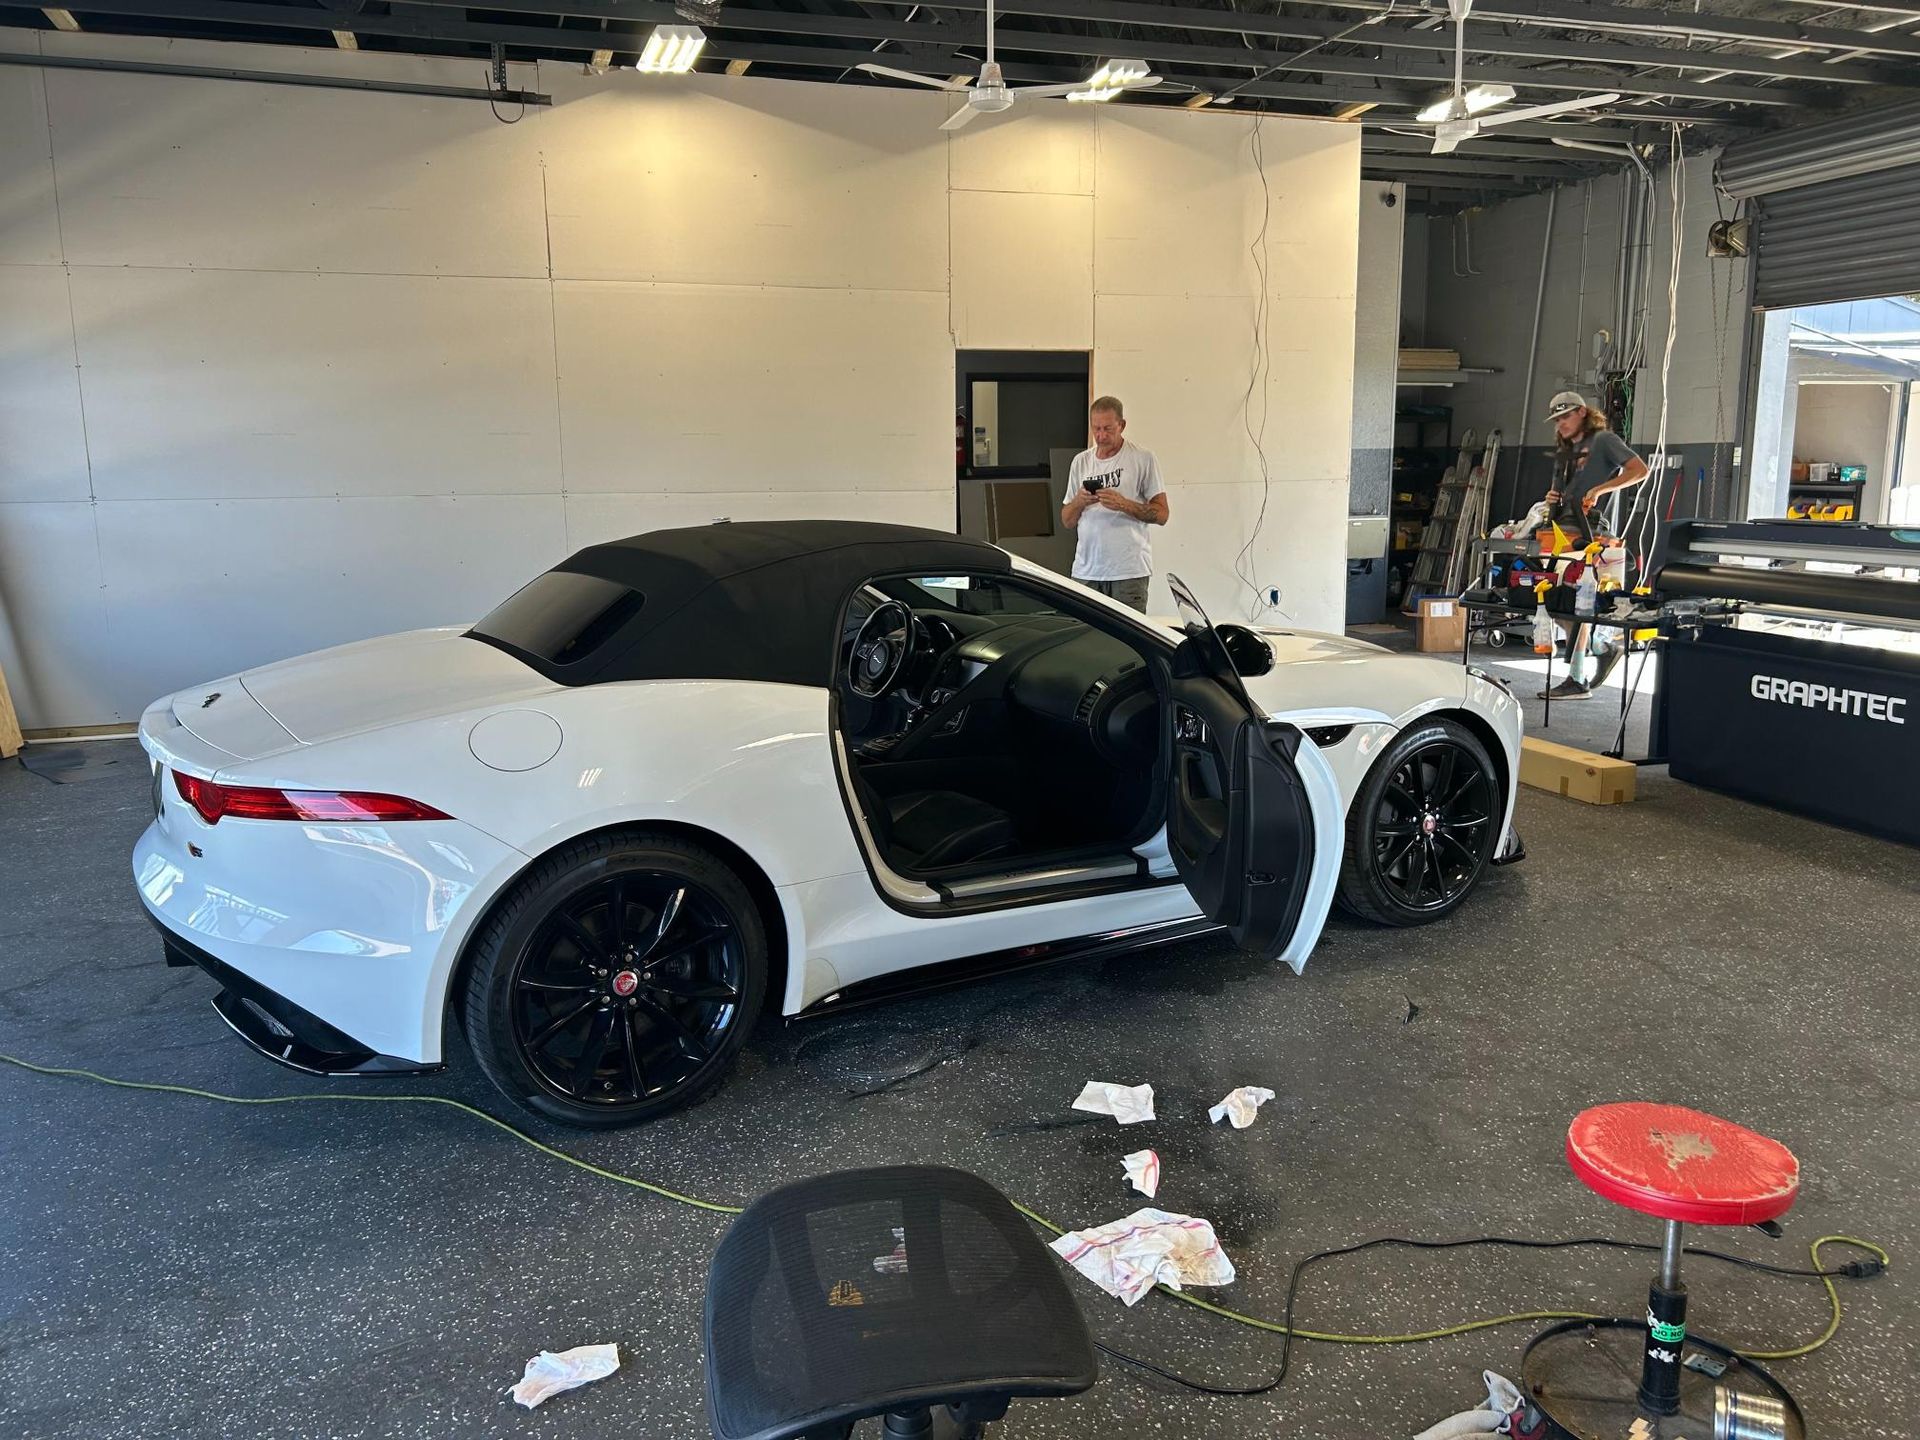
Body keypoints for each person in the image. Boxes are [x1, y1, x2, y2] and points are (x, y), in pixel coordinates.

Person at [1538, 391, 1648, 701]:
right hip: (1561, 528)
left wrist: (1601, 488)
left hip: (1588, 531)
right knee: (1557, 601)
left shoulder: (1603, 440)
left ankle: (1577, 679)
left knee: (1577, 603)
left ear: (1583, 413)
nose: (1561, 424)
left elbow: (1640, 470)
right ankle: (1601, 646)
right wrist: (1552, 498)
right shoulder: (1566, 449)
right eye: (1557, 420)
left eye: (1566, 417)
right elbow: (1562, 488)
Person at [1059, 396, 1169, 612]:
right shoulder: (1081, 462)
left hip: (1128, 572)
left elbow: (1163, 514)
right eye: (1096, 428)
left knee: (1128, 641)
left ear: (1122, 425)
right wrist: (1079, 502)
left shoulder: (1142, 458)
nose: (1101, 436)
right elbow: (1067, 520)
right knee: (1086, 638)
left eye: (1108, 429)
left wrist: (1124, 504)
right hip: (1086, 572)